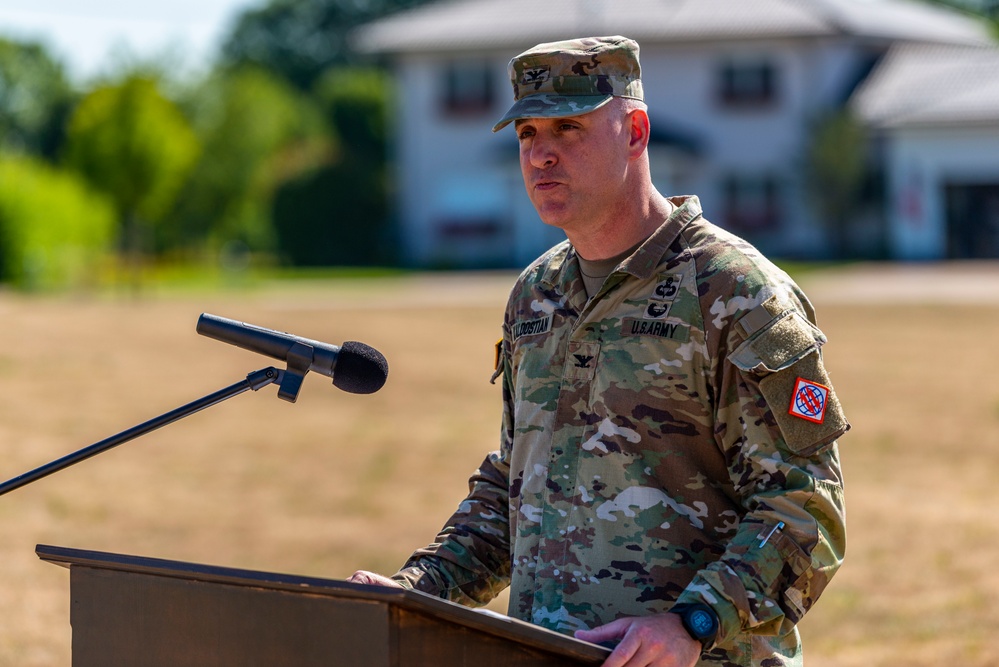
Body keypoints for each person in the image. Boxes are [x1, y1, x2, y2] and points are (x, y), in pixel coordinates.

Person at [350, 35, 849, 667]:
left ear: (636, 130)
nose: (542, 154)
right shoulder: (536, 296)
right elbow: (516, 488)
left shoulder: (735, 292)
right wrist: (411, 593)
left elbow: (805, 508)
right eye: (527, 133)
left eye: (569, 127)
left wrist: (691, 624)